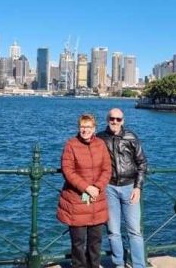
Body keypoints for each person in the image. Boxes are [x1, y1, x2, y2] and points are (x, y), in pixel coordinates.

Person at [57, 113, 112, 268]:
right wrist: (86, 187)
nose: (85, 130)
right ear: (78, 128)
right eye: (82, 127)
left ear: (94, 128)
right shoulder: (71, 145)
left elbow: (107, 169)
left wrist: (97, 187)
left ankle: (94, 265)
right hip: (77, 201)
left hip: (97, 200)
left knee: (95, 241)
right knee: (78, 242)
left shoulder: (100, 144)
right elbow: (68, 171)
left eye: (88, 127)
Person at [97, 108, 147, 268]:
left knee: (134, 231)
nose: (115, 122)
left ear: (123, 121)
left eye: (118, 119)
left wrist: (138, 187)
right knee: (113, 231)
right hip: (109, 188)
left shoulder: (130, 136)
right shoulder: (100, 138)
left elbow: (142, 163)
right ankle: (119, 264)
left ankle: (139, 265)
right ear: (107, 119)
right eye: (112, 118)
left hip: (129, 188)